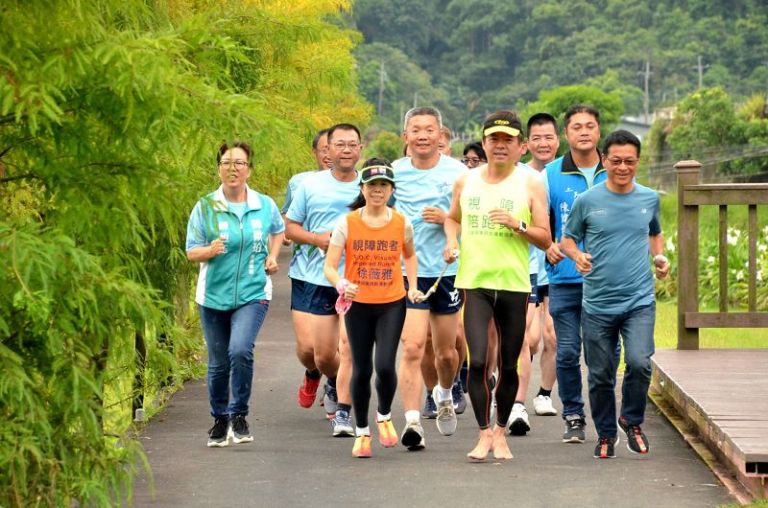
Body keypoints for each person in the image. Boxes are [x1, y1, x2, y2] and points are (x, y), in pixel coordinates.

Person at [444, 111, 551, 461]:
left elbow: (545, 238)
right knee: (476, 362)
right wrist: (451, 241)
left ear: (521, 146)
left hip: (513, 285)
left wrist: (518, 224)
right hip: (474, 282)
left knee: (508, 364)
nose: (500, 146)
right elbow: (452, 218)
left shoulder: (531, 184)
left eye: (508, 140)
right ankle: (483, 433)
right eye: (494, 139)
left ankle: (502, 431)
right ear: (484, 142)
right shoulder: (466, 181)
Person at [560, 130, 670, 459]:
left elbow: (655, 233)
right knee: (600, 374)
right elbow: (567, 239)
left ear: (638, 162)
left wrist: (659, 257)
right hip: (597, 304)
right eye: (616, 160)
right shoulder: (588, 200)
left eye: (630, 161)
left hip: (639, 301)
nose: (623, 167)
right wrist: (577, 256)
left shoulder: (649, 198)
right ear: (604, 160)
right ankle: (606, 434)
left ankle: (631, 420)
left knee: (639, 362)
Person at [186, 141, 285, 447]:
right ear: (219, 169)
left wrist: (272, 257)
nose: (233, 169)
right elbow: (191, 251)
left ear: (249, 170)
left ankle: (239, 414)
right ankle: (219, 419)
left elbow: (278, 231)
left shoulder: (264, 205)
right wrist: (209, 250)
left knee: (240, 350)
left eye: (240, 163)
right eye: (227, 163)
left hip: (253, 292)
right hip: (213, 296)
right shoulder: (205, 207)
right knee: (218, 362)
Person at [323, 159, 421, 458]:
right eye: (372, 185)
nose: (378, 190)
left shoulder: (402, 222)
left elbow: (410, 256)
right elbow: (329, 266)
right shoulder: (347, 223)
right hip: (358, 305)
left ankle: (384, 415)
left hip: (392, 302)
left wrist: (412, 286)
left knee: (386, 366)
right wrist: (342, 283)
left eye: (383, 185)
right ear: (362, 189)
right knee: (362, 368)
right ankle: (363, 432)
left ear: (391, 190)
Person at [394, 107, 467, 449]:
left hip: (445, 271)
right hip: (407, 272)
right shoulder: (394, 173)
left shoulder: (459, 173)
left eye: (429, 129)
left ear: (441, 135)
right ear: (405, 136)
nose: (422, 135)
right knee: (412, 346)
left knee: (446, 353)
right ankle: (412, 422)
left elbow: (471, 218)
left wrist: (447, 220)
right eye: (416, 129)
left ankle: (446, 392)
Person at [285, 123, 363, 437]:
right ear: (327, 150)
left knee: (346, 349)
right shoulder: (309, 185)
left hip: (353, 281)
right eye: (339, 144)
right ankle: (320, 375)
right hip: (311, 276)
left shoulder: (369, 186)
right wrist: (318, 239)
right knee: (313, 353)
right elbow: (290, 227)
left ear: (360, 149)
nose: (346, 150)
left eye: (352, 144)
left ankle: (342, 400)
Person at [543, 104, 612, 444]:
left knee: (604, 356)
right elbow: (540, 221)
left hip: (606, 281)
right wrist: (547, 246)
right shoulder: (550, 174)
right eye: (576, 127)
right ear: (566, 134)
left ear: (598, 131)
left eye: (590, 126)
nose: (584, 132)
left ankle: (606, 417)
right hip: (565, 279)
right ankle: (573, 415)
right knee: (568, 351)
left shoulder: (614, 169)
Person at [507, 113, 561, 434]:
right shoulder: (521, 175)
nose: (543, 143)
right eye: (537, 138)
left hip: (557, 266)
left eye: (549, 137)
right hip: (527, 267)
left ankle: (543, 395)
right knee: (529, 339)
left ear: (558, 140)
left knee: (552, 334)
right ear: (526, 143)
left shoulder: (562, 175)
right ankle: (511, 391)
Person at [281, 128, 337, 415]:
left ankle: (337, 385)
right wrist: (313, 238)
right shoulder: (300, 182)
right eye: (324, 149)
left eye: (334, 147)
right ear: (315, 152)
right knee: (307, 350)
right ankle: (313, 374)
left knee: (333, 350)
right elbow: (288, 221)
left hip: (345, 277)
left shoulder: (361, 183)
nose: (329, 154)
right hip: (306, 273)